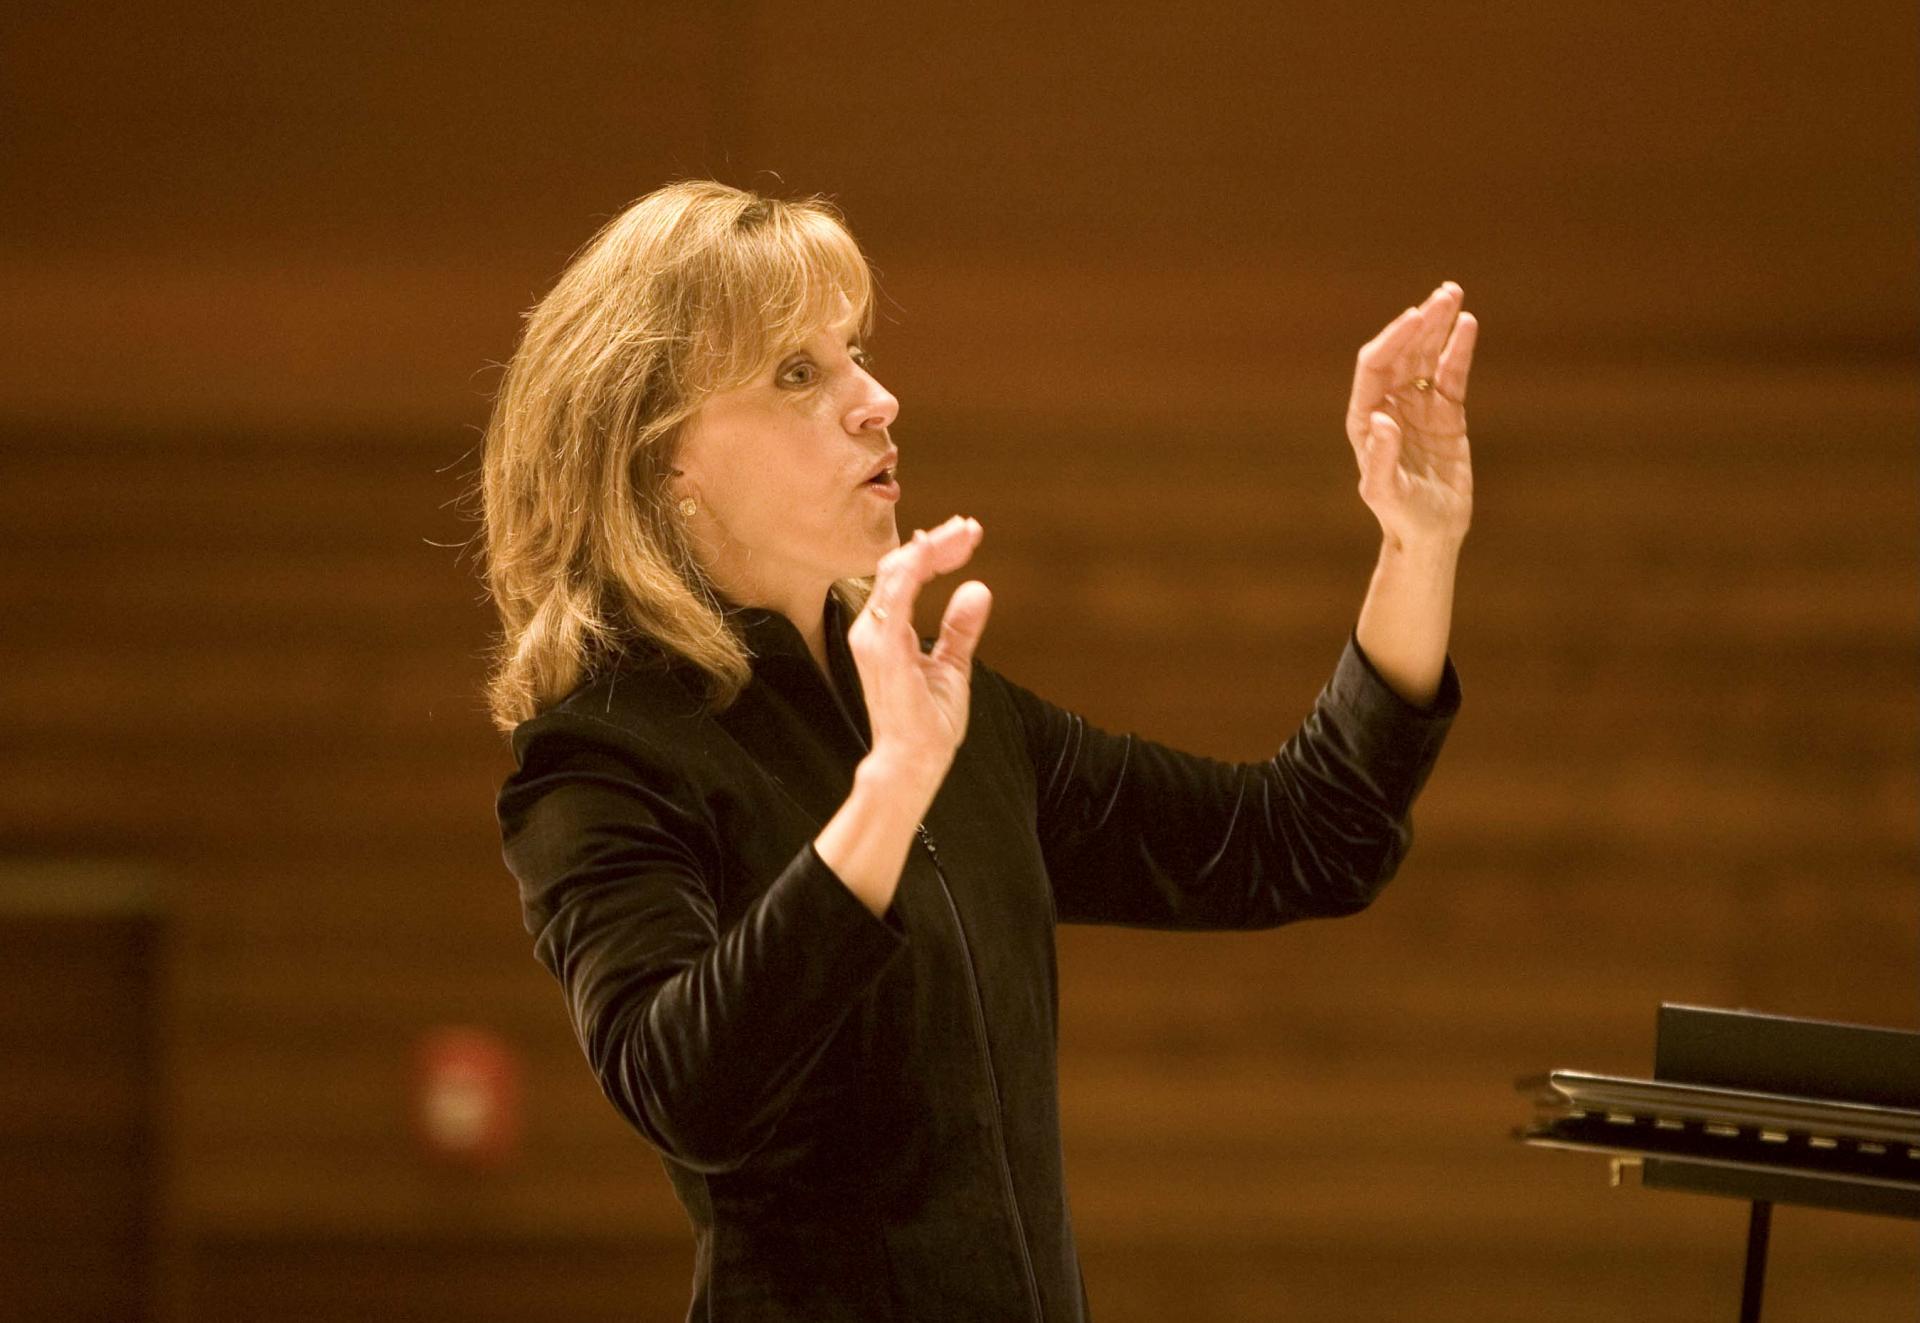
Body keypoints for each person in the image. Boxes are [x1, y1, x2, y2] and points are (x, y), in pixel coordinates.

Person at [480, 179, 1474, 1322]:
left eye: (852, 352)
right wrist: (890, 792)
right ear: (661, 463)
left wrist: (1418, 542)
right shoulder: (606, 755)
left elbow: (1304, 841)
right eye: (798, 374)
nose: (878, 400)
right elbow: (691, 1091)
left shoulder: (938, 705)